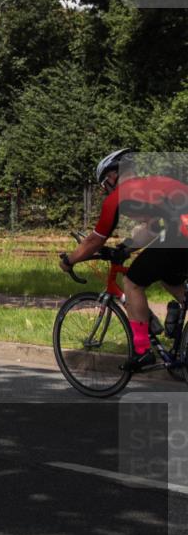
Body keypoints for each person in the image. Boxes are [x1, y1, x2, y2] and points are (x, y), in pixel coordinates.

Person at [60, 149, 188, 370]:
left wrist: (69, 261)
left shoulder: (118, 197)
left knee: (132, 282)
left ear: (112, 177)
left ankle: (142, 351)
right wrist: (125, 248)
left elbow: (94, 241)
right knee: (166, 274)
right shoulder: (152, 185)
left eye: (103, 185)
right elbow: (153, 228)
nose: (105, 190)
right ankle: (178, 326)